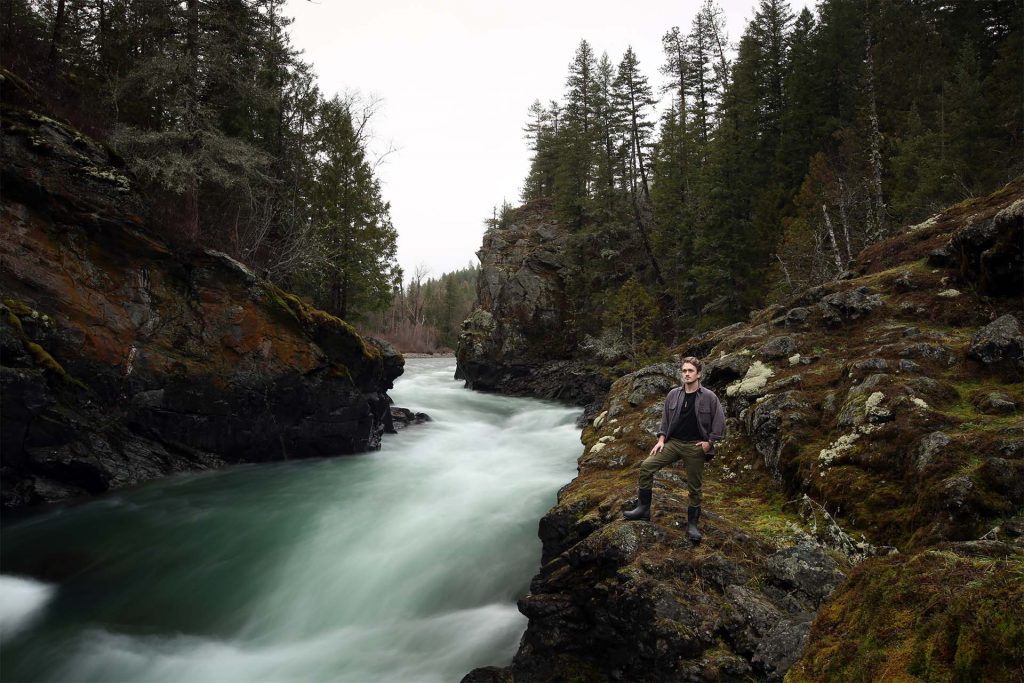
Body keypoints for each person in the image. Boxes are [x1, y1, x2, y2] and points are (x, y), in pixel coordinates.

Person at [623, 356, 726, 541]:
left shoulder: (709, 397)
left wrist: (709, 443)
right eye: (684, 371)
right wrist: (661, 439)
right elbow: (665, 420)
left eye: (690, 371)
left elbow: (719, 423)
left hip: (695, 446)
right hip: (673, 443)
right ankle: (643, 509)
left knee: (694, 487)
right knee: (647, 466)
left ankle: (692, 525)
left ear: (699, 374)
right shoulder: (673, 394)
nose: (686, 374)